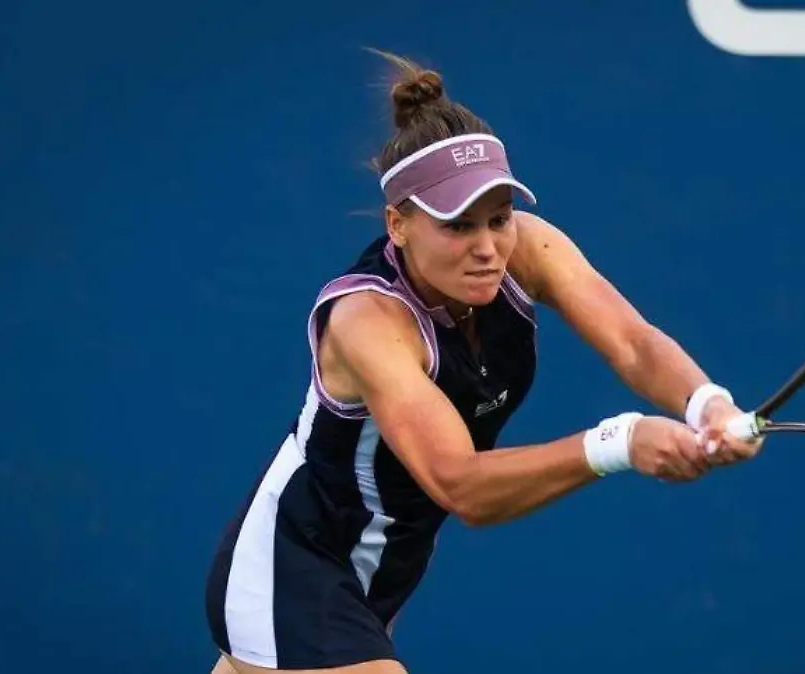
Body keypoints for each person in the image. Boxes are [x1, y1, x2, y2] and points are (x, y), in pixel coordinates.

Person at [204, 50, 763, 674]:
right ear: (398, 225)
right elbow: (461, 485)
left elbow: (632, 341)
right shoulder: (369, 322)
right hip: (292, 566)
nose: (488, 247)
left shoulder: (530, 250)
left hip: (381, 576)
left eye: (499, 220)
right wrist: (621, 442)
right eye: (458, 226)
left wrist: (706, 403)